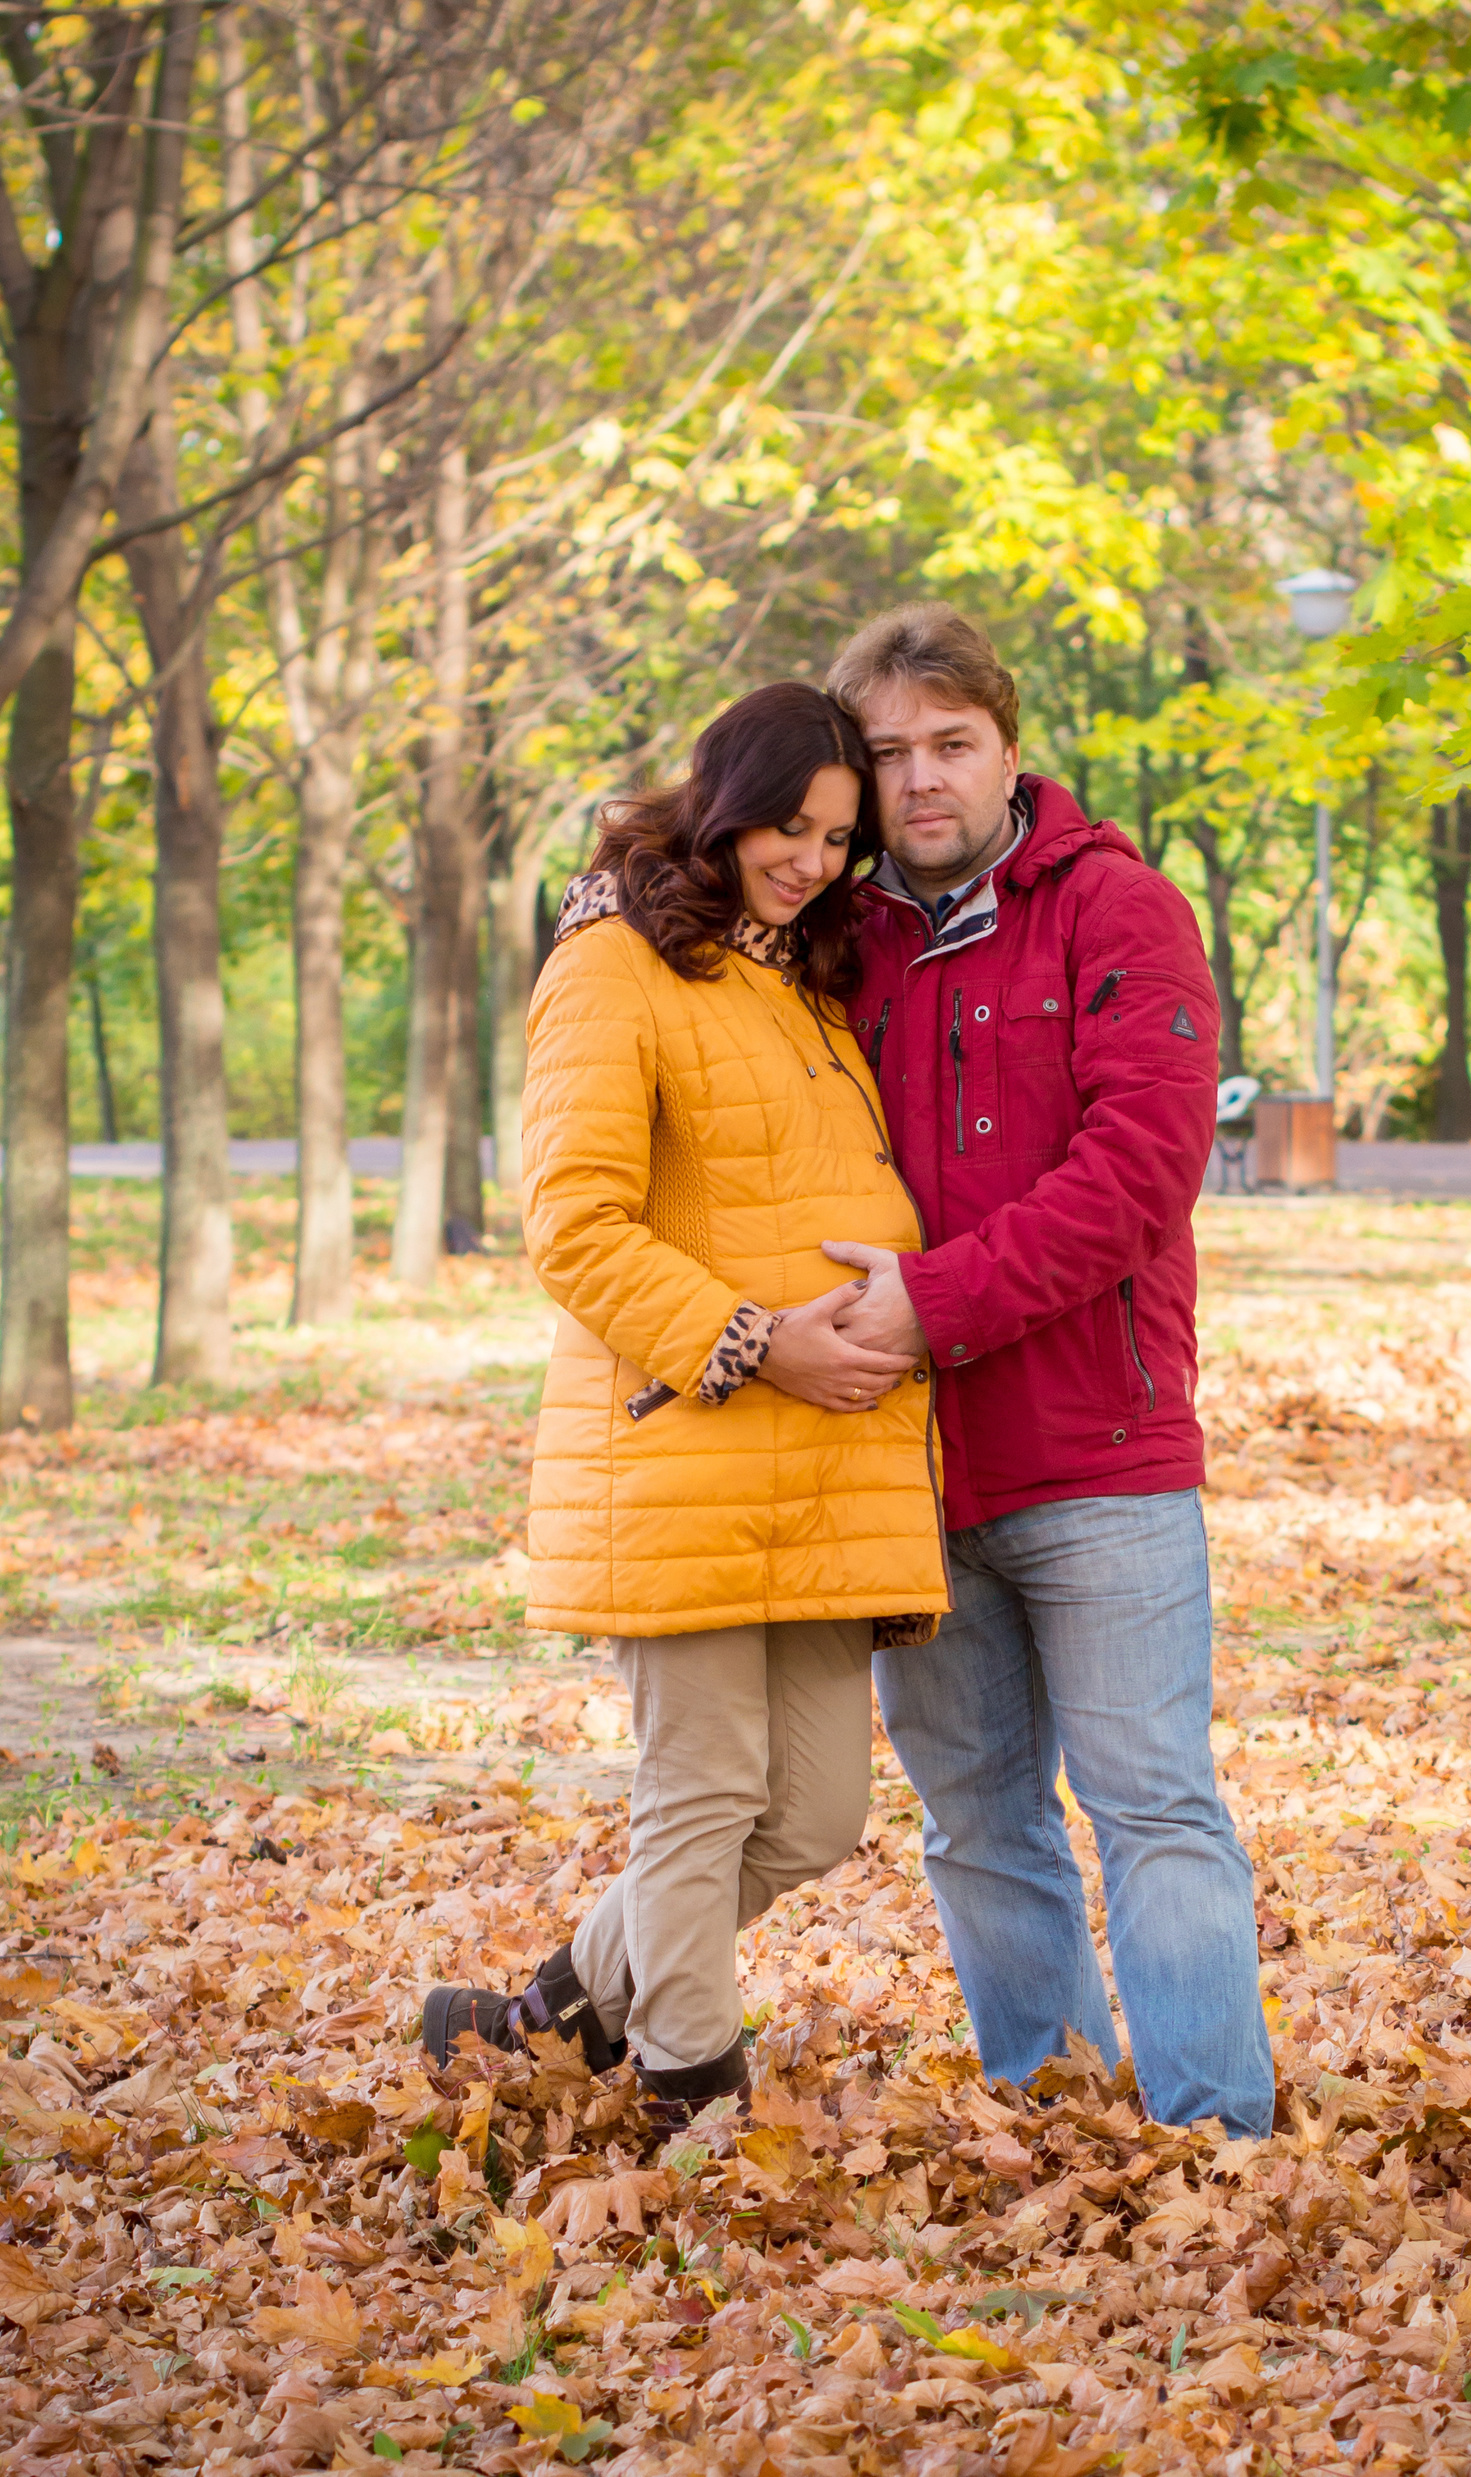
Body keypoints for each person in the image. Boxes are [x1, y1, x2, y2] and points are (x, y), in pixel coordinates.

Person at [421, 682, 948, 2127]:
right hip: (690, 1439)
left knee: (819, 1815)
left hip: (824, 1461)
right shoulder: (612, 963)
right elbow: (575, 1225)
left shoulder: (803, 978)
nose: (814, 858)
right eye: (791, 823)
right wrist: (756, 1342)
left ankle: (549, 2010)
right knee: (704, 1789)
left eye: (840, 837)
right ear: (725, 800)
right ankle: (691, 2098)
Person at [815, 604, 1274, 2138]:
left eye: (951, 743)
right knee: (976, 1819)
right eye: (887, 752)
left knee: (1153, 1806)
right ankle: (1058, 2122)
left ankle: (1216, 2135)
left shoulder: (1116, 912)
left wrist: (934, 1304)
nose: (921, 778)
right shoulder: (831, 944)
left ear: (1010, 747)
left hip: (1099, 1446)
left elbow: (1141, 1168)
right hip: (910, 1463)